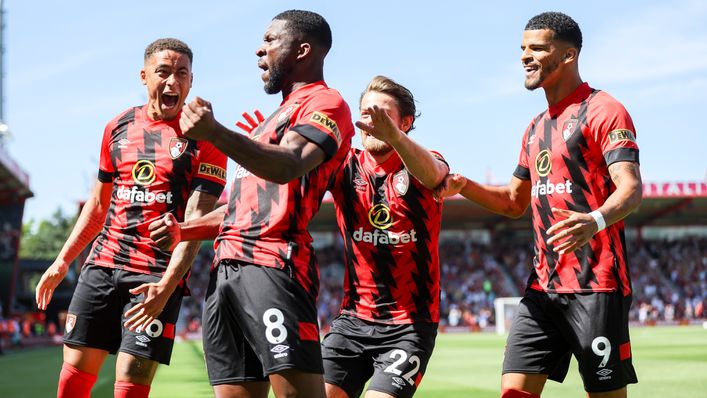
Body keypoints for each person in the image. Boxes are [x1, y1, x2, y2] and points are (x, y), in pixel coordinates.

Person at [149, 10, 354, 398]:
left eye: (271, 40)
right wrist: (183, 230)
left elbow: (290, 165)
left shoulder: (326, 103)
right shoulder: (268, 123)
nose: (259, 50)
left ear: (302, 50)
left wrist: (216, 133)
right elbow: (239, 208)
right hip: (225, 271)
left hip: (273, 264)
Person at [438, 12, 641, 398]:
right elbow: (514, 202)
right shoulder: (534, 128)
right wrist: (465, 186)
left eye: (537, 48)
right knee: (513, 391)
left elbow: (630, 188)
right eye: (522, 49)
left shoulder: (603, 110)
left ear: (567, 55)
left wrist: (594, 220)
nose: (525, 57)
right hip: (542, 288)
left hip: (596, 285)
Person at [34, 38, 227, 398]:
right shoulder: (117, 127)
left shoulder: (207, 138)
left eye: (181, 74)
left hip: (154, 275)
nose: (173, 82)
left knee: (130, 381)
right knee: (73, 376)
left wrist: (167, 288)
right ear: (144, 76)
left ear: (191, 81)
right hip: (101, 265)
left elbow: (195, 224)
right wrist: (63, 262)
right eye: (163, 72)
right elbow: (97, 206)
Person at [322, 76, 448, 398]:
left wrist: (393, 136)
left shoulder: (424, 163)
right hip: (352, 320)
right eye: (365, 114)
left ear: (405, 122)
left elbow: (435, 175)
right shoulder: (344, 166)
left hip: (409, 326)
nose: (371, 123)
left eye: (382, 115)